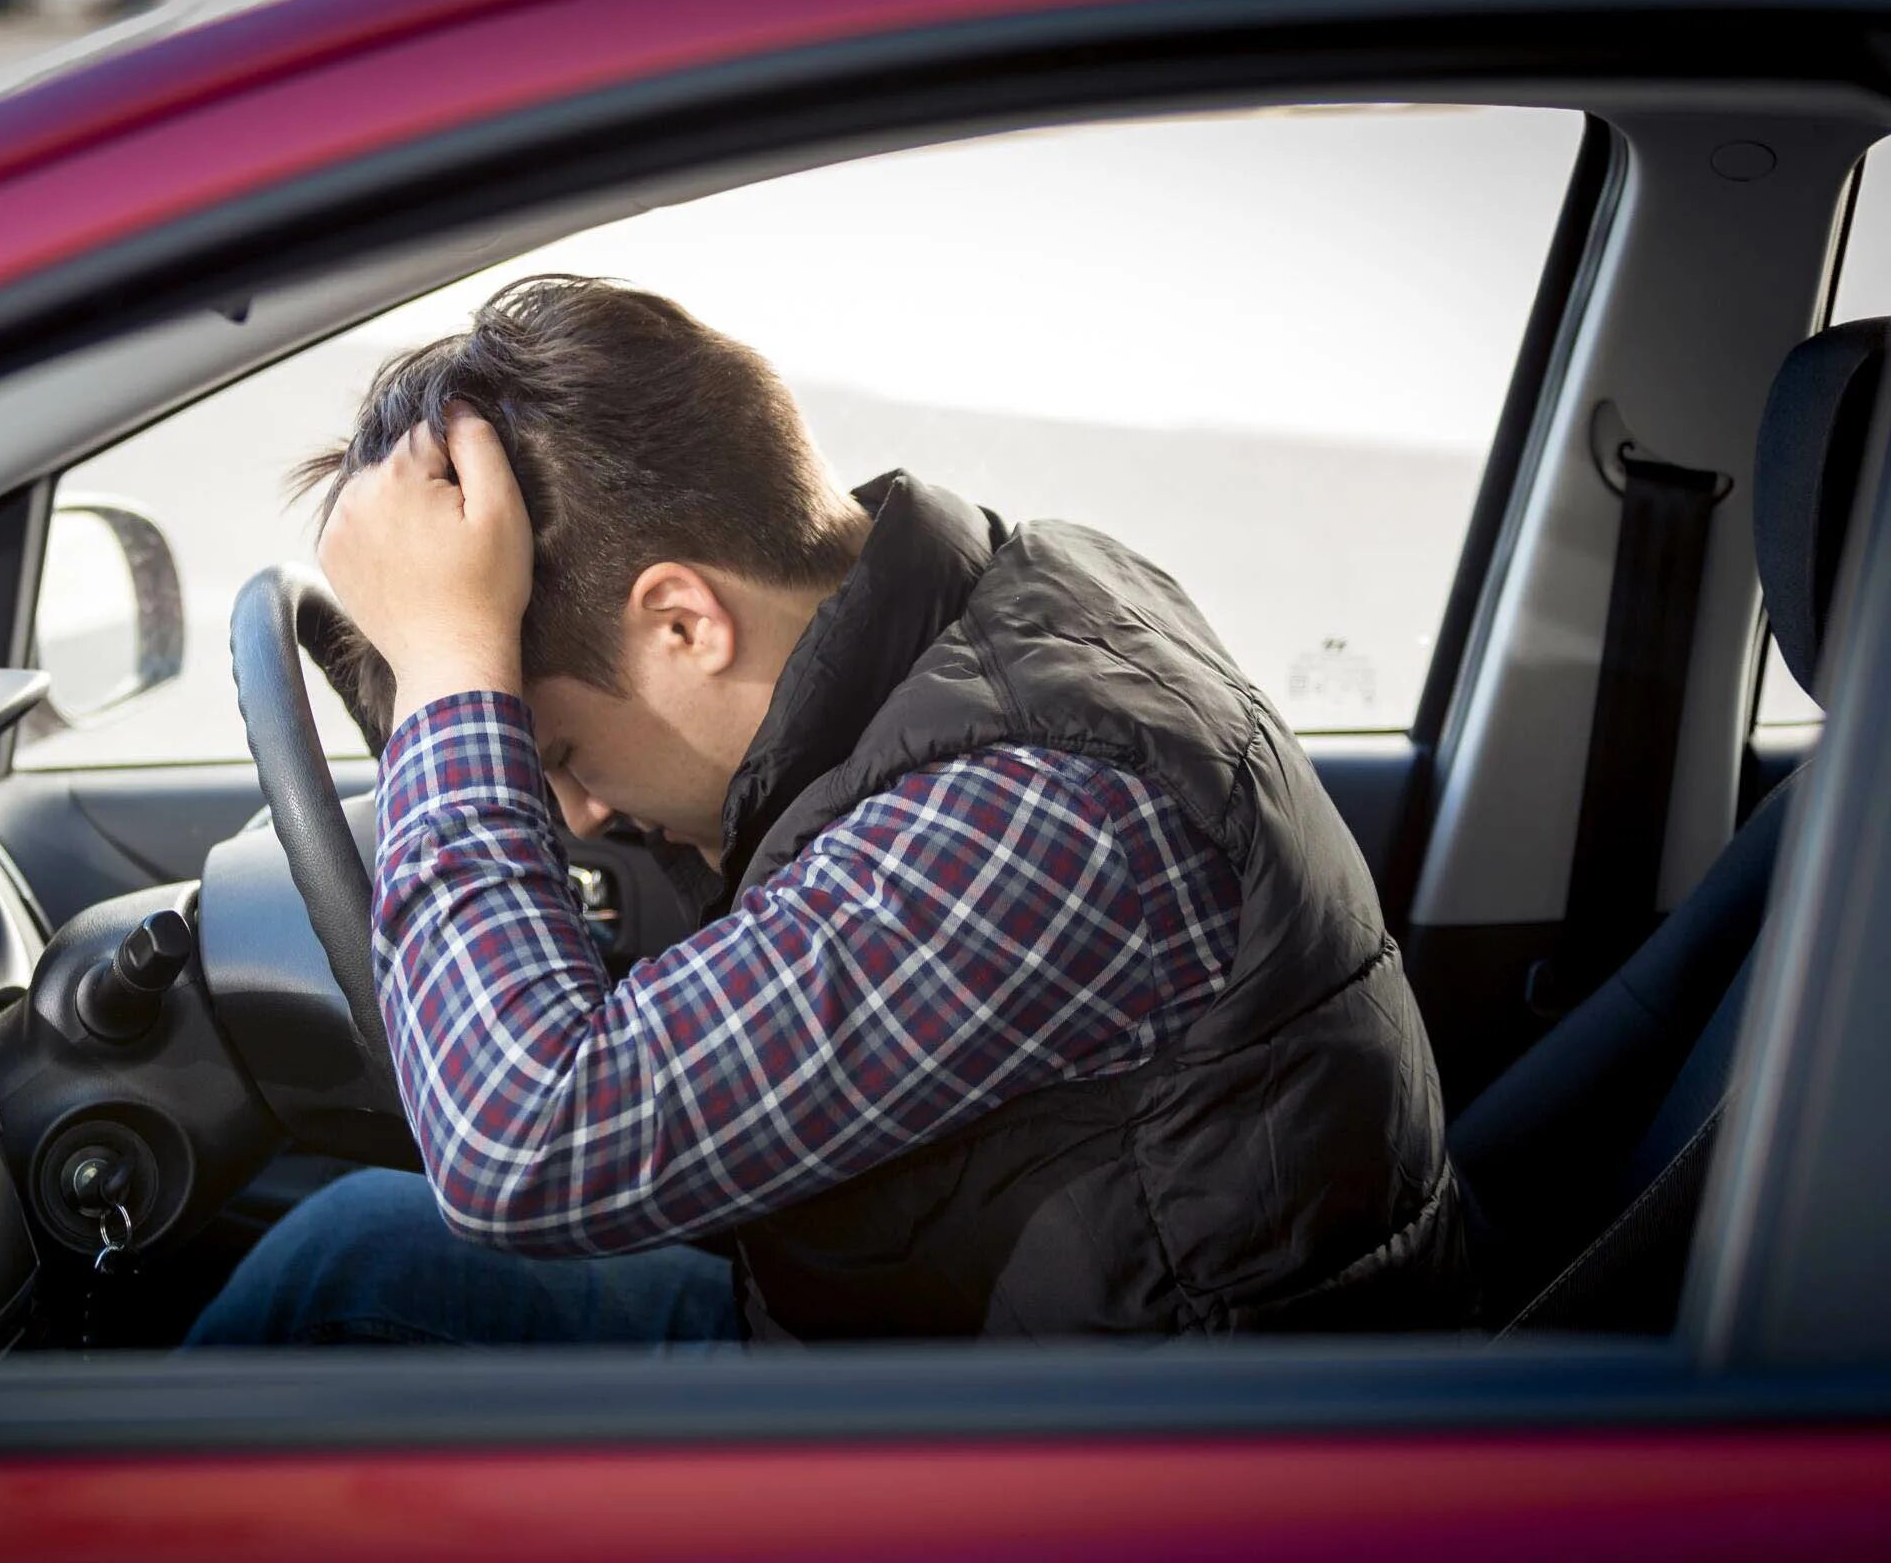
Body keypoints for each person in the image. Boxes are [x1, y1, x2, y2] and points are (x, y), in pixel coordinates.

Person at [187, 274, 1471, 1347]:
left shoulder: (1033, 811)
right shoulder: (1007, 601)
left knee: (339, 1289)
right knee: (347, 1253)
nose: (571, 813)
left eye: (558, 747)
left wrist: (453, 672)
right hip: (924, 1349)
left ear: (682, 621)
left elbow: (518, 1145)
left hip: (1090, 1480)